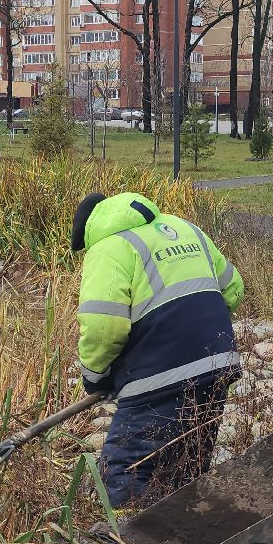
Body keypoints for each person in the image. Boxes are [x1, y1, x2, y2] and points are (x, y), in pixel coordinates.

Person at [73, 191, 244, 507]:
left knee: (124, 473)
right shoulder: (184, 227)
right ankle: (183, 531)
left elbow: (103, 328)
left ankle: (130, 537)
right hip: (218, 364)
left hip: (160, 378)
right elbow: (234, 288)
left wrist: (95, 377)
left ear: (89, 230)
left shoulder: (108, 248)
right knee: (187, 466)